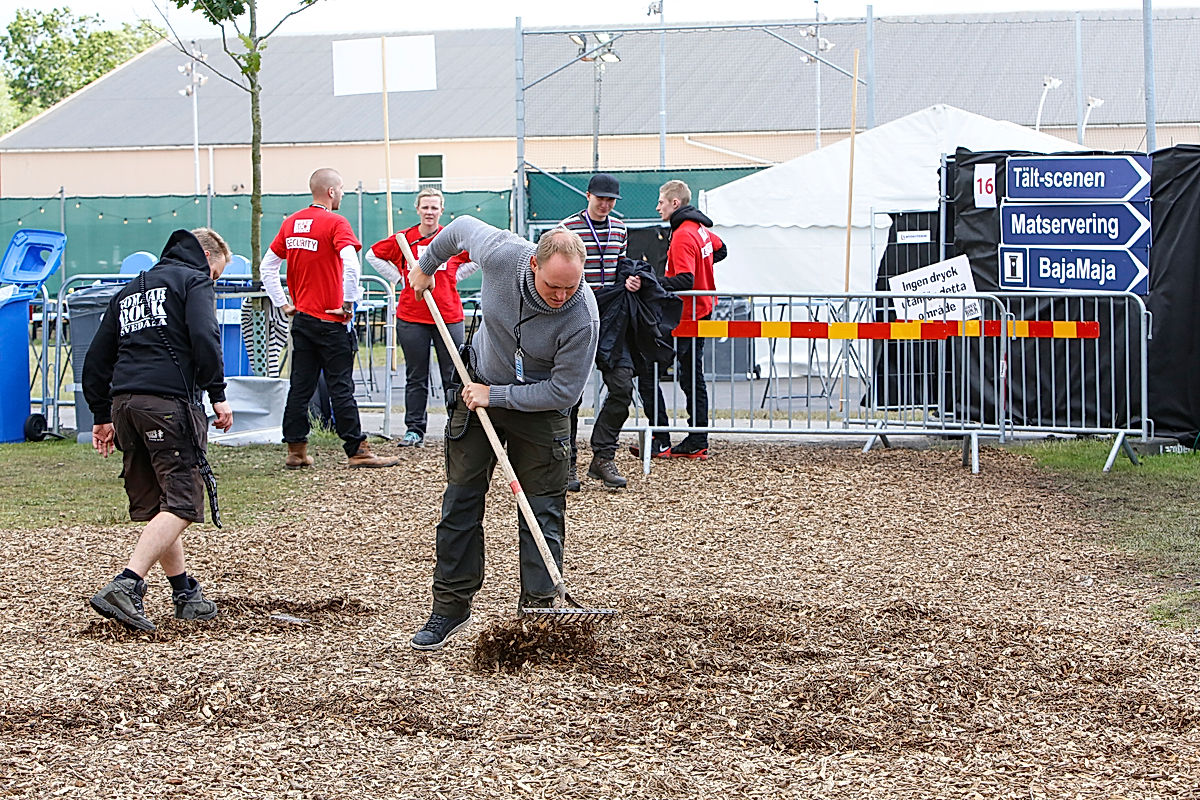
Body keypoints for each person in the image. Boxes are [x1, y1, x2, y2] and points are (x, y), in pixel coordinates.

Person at [406, 218, 599, 651]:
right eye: (553, 287)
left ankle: (538, 610)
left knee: (542, 508)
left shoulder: (582, 317)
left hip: (538, 408)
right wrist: (428, 263)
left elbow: (563, 391)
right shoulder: (501, 253)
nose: (561, 297)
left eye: (571, 288)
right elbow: (457, 228)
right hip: (477, 387)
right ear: (533, 264)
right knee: (460, 500)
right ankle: (450, 608)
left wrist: (499, 396)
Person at [83, 227, 235, 632]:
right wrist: (217, 393)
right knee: (184, 500)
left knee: (162, 504)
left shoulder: (131, 289)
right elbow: (205, 336)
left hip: (125, 406)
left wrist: (102, 416)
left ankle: (184, 592)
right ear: (206, 258)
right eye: (217, 275)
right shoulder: (194, 279)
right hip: (168, 404)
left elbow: (96, 358)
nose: (214, 282)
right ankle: (127, 584)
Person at [261, 167, 399, 469]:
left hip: (303, 320)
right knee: (340, 386)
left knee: (300, 385)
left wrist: (283, 303)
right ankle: (356, 449)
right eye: (342, 190)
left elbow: (267, 267)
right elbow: (351, 266)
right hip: (332, 320)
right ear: (332, 192)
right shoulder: (336, 223)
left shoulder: (292, 223)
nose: (343, 195)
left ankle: (296, 449)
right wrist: (348, 303)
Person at [365, 188, 478, 447]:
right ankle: (414, 429)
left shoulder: (450, 237)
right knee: (416, 375)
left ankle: (456, 426)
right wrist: (402, 279)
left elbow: (476, 259)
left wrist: (453, 278)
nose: (429, 212)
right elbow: (373, 255)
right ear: (417, 209)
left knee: (454, 373)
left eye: (434, 207)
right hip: (412, 317)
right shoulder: (404, 238)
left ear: (441, 210)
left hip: (447, 316)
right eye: (425, 207)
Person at [636, 179, 727, 460]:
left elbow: (685, 279)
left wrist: (653, 283)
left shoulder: (683, 235)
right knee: (689, 376)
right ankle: (693, 437)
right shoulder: (699, 230)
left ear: (675, 203)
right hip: (702, 309)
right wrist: (704, 271)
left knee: (656, 373)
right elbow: (721, 249)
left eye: (661, 202)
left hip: (687, 314)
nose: (657, 207)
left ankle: (670, 437)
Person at [558, 173, 632, 490]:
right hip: (575, 315)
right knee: (569, 395)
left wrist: (632, 279)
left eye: (610, 200)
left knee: (622, 387)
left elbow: (623, 263)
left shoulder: (620, 228)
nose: (605, 204)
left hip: (611, 317)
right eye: (600, 198)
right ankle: (567, 463)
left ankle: (603, 456)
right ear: (588, 196)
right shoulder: (566, 228)